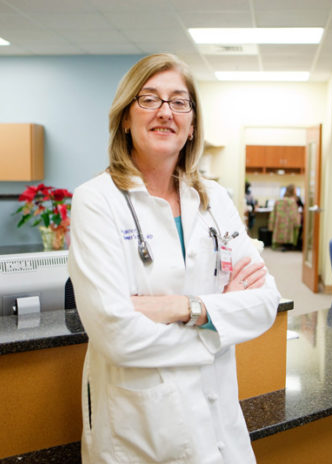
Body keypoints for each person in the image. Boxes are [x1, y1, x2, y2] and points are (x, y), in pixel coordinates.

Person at [68, 53, 281, 464]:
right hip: (142, 434)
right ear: (125, 118)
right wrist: (217, 322)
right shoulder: (96, 201)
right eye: (149, 99)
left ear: (192, 124)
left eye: (179, 102)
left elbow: (264, 303)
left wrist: (182, 307)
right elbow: (116, 335)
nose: (166, 112)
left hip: (222, 427)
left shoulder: (215, 199)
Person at [268, 184, 301, 250]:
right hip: (289, 224)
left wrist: (271, 224)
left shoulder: (278, 201)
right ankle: (290, 245)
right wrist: (297, 223)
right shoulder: (292, 201)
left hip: (279, 223)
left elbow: (273, 214)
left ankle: (277, 244)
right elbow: (294, 215)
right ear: (293, 191)